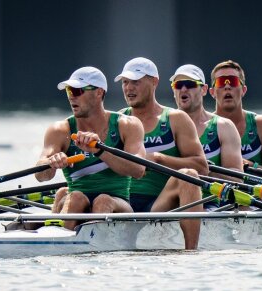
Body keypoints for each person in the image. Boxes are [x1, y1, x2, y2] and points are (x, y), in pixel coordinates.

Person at [35, 66, 146, 230]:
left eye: (77, 91)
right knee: (76, 197)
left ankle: (91, 246)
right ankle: (60, 245)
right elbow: (40, 175)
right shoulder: (60, 130)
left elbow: (138, 170)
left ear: (99, 93)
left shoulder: (127, 125)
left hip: (117, 203)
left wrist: (100, 150)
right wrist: (50, 163)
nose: (71, 96)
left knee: (102, 200)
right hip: (76, 201)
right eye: (68, 90)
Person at [114, 57, 209, 249]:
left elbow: (202, 167)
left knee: (189, 176)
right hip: (122, 203)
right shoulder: (118, 119)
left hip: (159, 203)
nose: (129, 88)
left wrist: (158, 159)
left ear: (154, 82)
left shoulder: (175, 119)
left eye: (135, 82)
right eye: (125, 82)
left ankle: (191, 251)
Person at [210, 60, 262, 174]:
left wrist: (251, 166)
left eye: (233, 81)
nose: (227, 86)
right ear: (212, 92)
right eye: (221, 82)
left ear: (243, 90)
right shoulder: (202, 127)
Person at [170, 64, 243, 180]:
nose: (183, 89)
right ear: (174, 91)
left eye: (190, 84)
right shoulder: (163, 124)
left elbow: (237, 178)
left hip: (211, 197)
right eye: (178, 85)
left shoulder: (224, 126)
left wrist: (201, 168)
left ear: (204, 90)